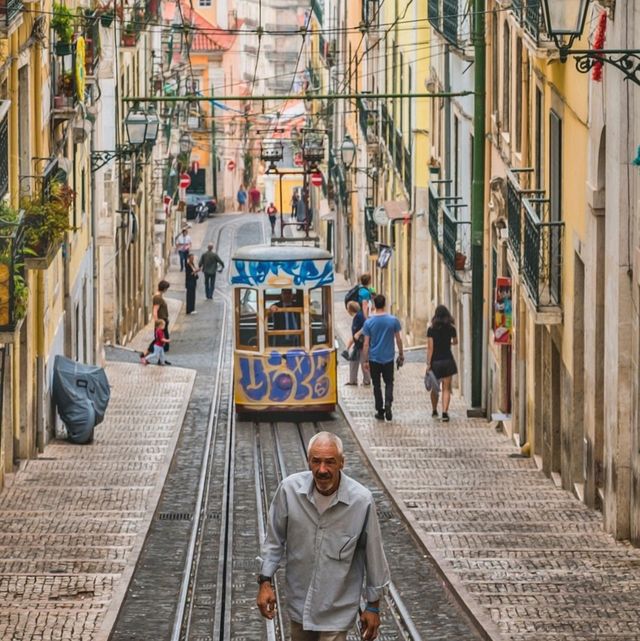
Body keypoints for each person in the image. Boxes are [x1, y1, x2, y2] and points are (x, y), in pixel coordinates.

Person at [257, 431, 390, 641]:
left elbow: (373, 554)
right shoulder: (289, 490)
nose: (322, 469)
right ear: (308, 461)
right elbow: (274, 541)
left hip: (337, 610)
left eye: (330, 462)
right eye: (316, 461)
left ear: (341, 463)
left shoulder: (361, 501)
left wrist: (373, 606)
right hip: (299, 607)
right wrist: (265, 582)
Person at [362, 294, 403, 421]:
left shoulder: (369, 322)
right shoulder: (393, 320)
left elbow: (366, 343)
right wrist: (401, 353)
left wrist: (365, 360)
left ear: (374, 304)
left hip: (374, 358)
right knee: (389, 382)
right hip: (388, 358)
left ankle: (380, 410)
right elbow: (398, 339)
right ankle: (388, 403)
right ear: (384, 304)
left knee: (377, 385)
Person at [426, 305, 458, 422]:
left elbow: (430, 348)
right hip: (448, 360)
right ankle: (444, 412)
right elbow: (455, 341)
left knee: (435, 388)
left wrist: (428, 363)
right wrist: (448, 342)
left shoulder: (431, 330)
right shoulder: (451, 328)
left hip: (435, 362)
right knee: (446, 388)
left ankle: (434, 410)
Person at [140, 280, 171, 364]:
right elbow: (155, 311)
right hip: (161, 323)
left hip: (163, 322)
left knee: (160, 341)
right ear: (164, 288)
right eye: (166, 288)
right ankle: (145, 355)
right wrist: (158, 324)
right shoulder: (157, 298)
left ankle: (160, 359)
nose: (166, 290)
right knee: (160, 341)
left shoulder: (159, 296)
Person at [345, 301, 370, 387]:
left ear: (350, 310)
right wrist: (348, 346)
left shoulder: (359, 316)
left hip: (363, 343)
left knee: (363, 362)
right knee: (353, 360)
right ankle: (353, 380)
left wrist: (358, 333)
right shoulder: (357, 316)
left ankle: (367, 380)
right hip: (358, 343)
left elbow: (366, 326)